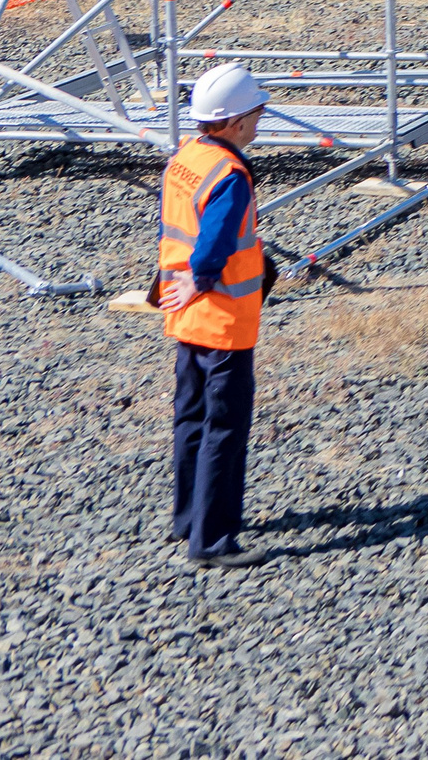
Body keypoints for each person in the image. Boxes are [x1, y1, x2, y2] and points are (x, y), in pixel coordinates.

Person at [157, 62, 274, 569]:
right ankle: (212, 539)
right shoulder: (230, 174)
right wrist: (202, 277)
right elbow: (217, 240)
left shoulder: (187, 158)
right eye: (256, 112)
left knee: (191, 417)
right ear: (233, 122)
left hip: (186, 315)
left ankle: (188, 517)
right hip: (223, 319)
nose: (259, 120)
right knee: (224, 426)